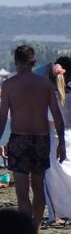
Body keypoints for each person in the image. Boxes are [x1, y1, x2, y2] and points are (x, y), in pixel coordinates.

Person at [0, 46, 66, 234]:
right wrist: (62, 143)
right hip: (41, 139)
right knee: (38, 189)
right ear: (33, 62)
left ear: (16, 62)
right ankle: (36, 229)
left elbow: (1, 119)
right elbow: (57, 116)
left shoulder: (9, 85)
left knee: (22, 193)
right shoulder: (45, 84)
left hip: (19, 140)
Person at [45, 58, 71, 223]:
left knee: (53, 180)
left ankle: (57, 214)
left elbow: (50, 123)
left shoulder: (51, 99)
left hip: (56, 137)